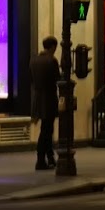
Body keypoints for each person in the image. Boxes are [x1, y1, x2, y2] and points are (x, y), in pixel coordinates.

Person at [31, 37, 62, 171]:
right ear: (52, 47)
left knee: (46, 129)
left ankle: (49, 158)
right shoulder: (52, 61)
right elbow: (58, 79)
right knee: (47, 130)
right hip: (49, 99)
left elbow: (31, 79)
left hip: (37, 98)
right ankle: (41, 159)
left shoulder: (34, 60)